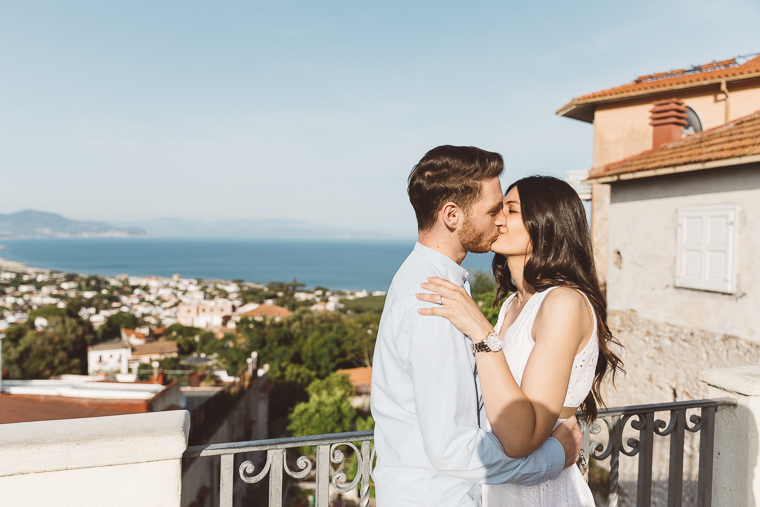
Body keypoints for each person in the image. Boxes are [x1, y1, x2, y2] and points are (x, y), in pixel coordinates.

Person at [371, 147, 583, 507]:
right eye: (493, 209)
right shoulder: (433, 298)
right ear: (452, 215)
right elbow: (452, 448)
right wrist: (551, 459)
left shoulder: (440, 283)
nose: (501, 220)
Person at [416, 175, 624, 506]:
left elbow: (521, 438)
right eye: (498, 208)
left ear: (547, 224)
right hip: (504, 488)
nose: (497, 218)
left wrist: (481, 333)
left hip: (541, 494)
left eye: (510, 210)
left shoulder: (563, 303)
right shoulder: (513, 305)